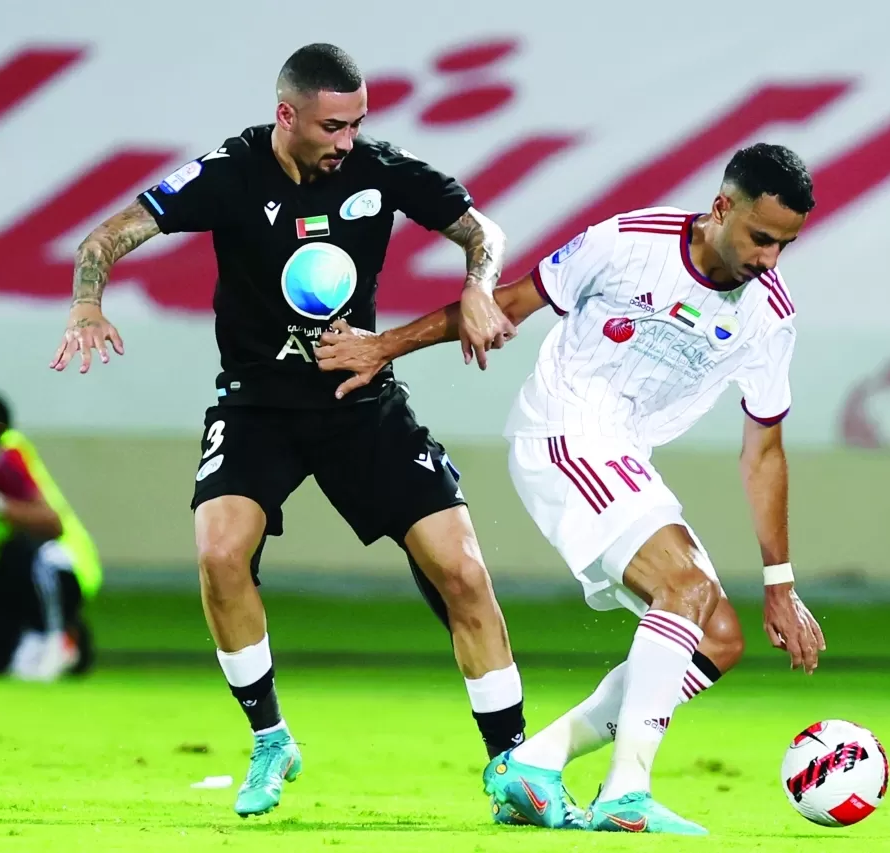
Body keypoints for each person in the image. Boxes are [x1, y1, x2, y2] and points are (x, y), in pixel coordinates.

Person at [49, 43, 542, 820]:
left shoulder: (379, 168)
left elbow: (483, 230)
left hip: (360, 399)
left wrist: (478, 287)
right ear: (287, 114)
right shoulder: (231, 173)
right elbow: (104, 238)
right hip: (257, 406)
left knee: (462, 570)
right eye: (332, 126)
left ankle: (514, 764)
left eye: (357, 123)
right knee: (219, 552)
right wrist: (87, 302)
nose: (347, 141)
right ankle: (271, 737)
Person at [315, 143, 829, 835]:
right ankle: (626, 793)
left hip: (625, 451)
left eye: (785, 244)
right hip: (564, 430)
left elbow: (763, 451)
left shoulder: (770, 313)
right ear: (721, 207)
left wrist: (780, 583)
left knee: (718, 637)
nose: (770, 258)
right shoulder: (627, 243)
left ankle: (535, 761)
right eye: (761, 237)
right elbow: (504, 305)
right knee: (684, 587)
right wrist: (384, 346)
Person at [0, 387, 100, 679]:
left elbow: (51, 524)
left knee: (24, 550)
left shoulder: (7, 457)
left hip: (55, 567)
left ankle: (60, 637)